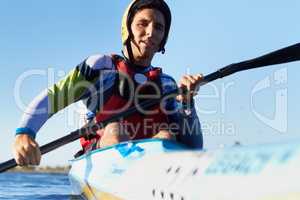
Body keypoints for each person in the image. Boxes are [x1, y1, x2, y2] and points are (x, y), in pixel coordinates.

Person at [12, 0, 203, 166]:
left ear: (164, 38)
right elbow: (55, 96)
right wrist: (25, 133)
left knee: (166, 137)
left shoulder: (166, 84)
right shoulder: (100, 69)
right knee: (115, 130)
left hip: (151, 165)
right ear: (127, 29)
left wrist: (187, 102)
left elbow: (194, 146)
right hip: (100, 156)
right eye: (142, 24)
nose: (151, 32)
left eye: (159, 27)